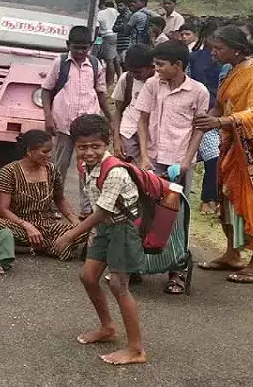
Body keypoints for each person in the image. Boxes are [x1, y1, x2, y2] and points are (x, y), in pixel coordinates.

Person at [51, 114, 147, 366]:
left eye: (96, 146)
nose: (89, 152)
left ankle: (136, 349)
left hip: (123, 229)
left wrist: (71, 235)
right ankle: (108, 327)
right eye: (83, 147)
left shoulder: (114, 171)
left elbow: (103, 211)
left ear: (107, 145)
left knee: (119, 285)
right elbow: (96, 207)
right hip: (105, 229)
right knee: (88, 276)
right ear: (75, 146)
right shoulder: (84, 167)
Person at [192, 25, 253, 284]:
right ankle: (232, 254)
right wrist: (203, 119)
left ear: (236, 49)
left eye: (219, 48)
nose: (213, 53)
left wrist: (219, 122)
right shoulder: (231, 71)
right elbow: (220, 104)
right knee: (227, 196)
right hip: (232, 143)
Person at [134, 40, 209, 294]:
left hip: (179, 162)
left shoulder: (198, 92)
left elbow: (199, 129)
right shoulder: (153, 85)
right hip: (153, 160)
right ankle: (138, 265)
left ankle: (176, 270)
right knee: (145, 213)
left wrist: (186, 162)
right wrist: (144, 157)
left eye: (161, 65)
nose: (156, 69)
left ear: (178, 65)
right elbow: (142, 120)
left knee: (177, 217)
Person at [41, 25, 114, 216]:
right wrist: (48, 117)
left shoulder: (96, 64)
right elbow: (46, 89)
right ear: (68, 45)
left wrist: (110, 119)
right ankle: (52, 205)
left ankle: (87, 209)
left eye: (84, 48)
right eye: (76, 48)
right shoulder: (60, 63)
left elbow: (100, 93)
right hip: (64, 124)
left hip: (87, 126)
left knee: (88, 167)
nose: (81, 52)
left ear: (90, 46)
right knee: (59, 166)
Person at [0, 129, 88, 260]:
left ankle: (33, 247)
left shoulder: (52, 170)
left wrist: (76, 224)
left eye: (51, 151)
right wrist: (27, 226)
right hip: (19, 226)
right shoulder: (9, 171)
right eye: (45, 152)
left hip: (48, 227)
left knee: (88, 228)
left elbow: (60, 199)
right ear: (29, 151)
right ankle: (54, 246)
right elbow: (3, 210)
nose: (50, 155)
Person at [188, 20, 222, 215]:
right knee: (212, 156)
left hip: (223, 114)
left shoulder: (227, 63)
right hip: (201, 114)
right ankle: (208, 199)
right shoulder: (194, 58)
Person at [111, 45, 155, 161]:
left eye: (138, 72)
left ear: (151, 67)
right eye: (131, 71)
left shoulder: (160, 82)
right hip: (128, 132)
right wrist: (116, 140)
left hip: (152, 137)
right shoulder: (127, 78)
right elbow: (118, 110)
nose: (134, 75)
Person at [95, 0, 121, 86]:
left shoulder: (99, 13)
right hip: (115, 35)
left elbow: (98, 30)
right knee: (115, 58)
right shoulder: (113, 10)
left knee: (109, 60)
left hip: (106, 36)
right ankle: (119, 77)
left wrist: (96, 42)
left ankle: (109, 82)